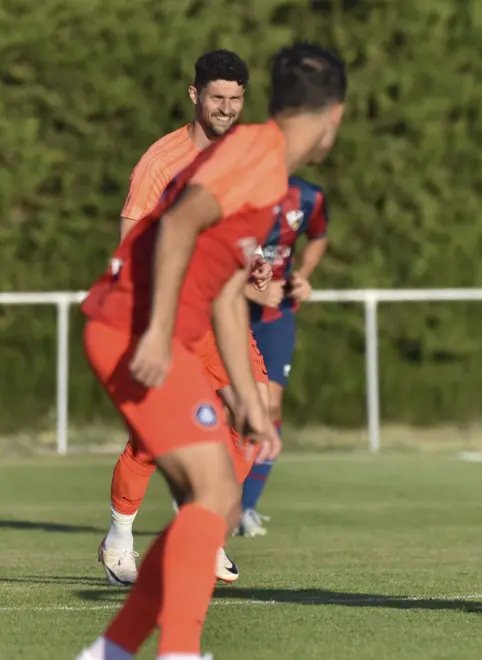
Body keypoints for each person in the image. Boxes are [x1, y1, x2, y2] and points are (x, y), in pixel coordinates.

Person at [75, 41, 348, 660]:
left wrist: (246, 394)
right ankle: (177, 650)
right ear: (334, 116)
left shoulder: (261, 162)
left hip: (166, 322)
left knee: (224, 485)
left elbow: (225, 288)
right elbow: (172, 227)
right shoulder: (255, 157)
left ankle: (115, 651)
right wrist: (155, 330)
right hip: (136, 324)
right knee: (214, 494)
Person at [98, 49, 271, 586]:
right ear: (195, 96)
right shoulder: (160, 162)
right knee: (155, 439)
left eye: (236, 99)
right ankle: (118, 538)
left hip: (219, 315)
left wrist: (255, 261)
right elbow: (130, 241)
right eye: (217, 97)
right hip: (166, 317)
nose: (227, 108)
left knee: (255, 413)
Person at [237, 175, 329, 537]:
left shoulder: (308, 196)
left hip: (275, 317)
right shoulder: (233, 190)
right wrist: (250, 291)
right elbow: (202, 257)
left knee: (271, 407)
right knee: (232, 407)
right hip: (228, 311)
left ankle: (246, 508)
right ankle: (208, 494)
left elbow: (318, 237)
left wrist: (302, 277)